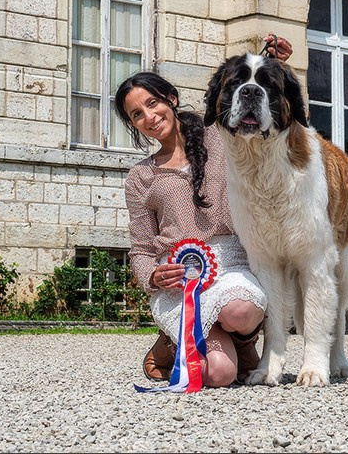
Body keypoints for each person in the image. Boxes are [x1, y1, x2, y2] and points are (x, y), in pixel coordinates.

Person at [117, 34, 293, 388]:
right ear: (134, 124)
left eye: (153, 103)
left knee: (241, 311)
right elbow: (140, 248)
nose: (150, 117)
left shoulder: (219, 135)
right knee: (219, 375)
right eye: (137, 114)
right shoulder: (140, 177)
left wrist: (274, 61)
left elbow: (246, 95)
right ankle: (175, 342)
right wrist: (152, 276)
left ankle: (240, 342)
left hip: (231, 265)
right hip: (180, 281)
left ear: (172, 98)